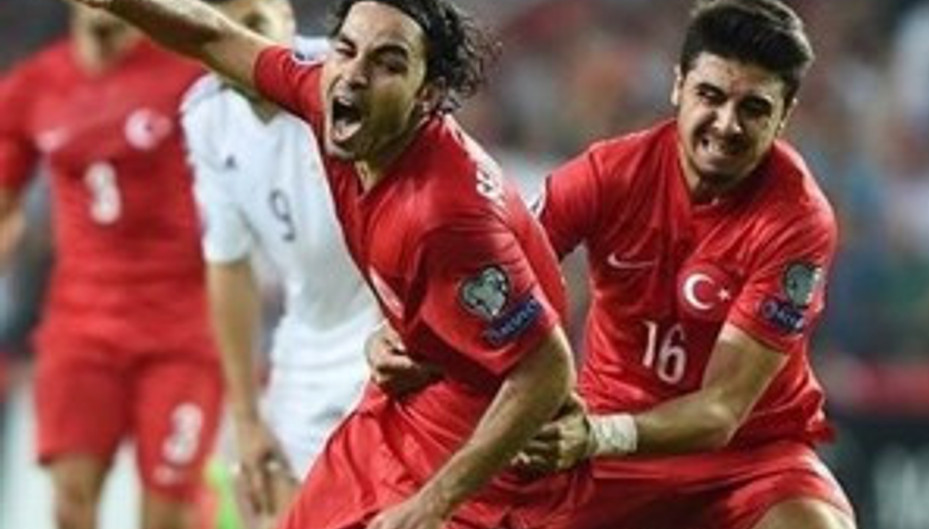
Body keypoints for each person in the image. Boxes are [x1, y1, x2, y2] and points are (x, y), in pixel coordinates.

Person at [70, 0, 581, 528]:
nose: (355, 75)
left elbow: (546, 369)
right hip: (405, 395)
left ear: (426, 95)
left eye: (388, 63)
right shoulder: (325, 100)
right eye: (347, 50)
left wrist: (431, 505)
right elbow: (212, 38)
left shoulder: (446, 215)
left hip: (478, 432)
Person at [371, 1, 858, 528]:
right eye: (711, 96)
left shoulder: (798, 219)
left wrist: (598, 436)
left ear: (784, 115)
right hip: (607, 448)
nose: (727, 125)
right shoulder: (610, 174)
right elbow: (488, 270)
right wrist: (402, 335)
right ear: (678, 87)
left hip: (748, 457)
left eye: (754, 109)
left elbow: (721, 410)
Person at [0, 5, 223, 529]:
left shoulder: (189, 74)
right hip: (80, 329)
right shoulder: (33, 86)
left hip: (179, 331)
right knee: (70, 506)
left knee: (167, 516)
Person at [179, 0, 380, 526]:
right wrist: (246, 416)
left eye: (252, 24)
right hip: (309, 339)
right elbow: (228, 264)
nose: (235, 45)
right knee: (284, 512)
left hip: (389, 328)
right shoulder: (205, 117)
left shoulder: (344, 82)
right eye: (218, 28)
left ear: (287, 20)